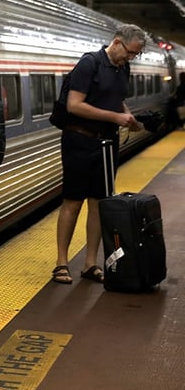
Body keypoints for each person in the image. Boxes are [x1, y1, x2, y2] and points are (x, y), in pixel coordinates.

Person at [51, 24, 144, 285]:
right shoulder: (89, 64)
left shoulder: (122, 67)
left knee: (99, 202)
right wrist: (117, 117)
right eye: (129, 53)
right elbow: (75, 105)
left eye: (135, 56)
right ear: (116, 42)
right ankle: (61, 263)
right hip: (79, 140)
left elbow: (117, 99)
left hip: (106, 142)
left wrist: (128, 117)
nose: (130, 59)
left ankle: (90, 263)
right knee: (73, 201)